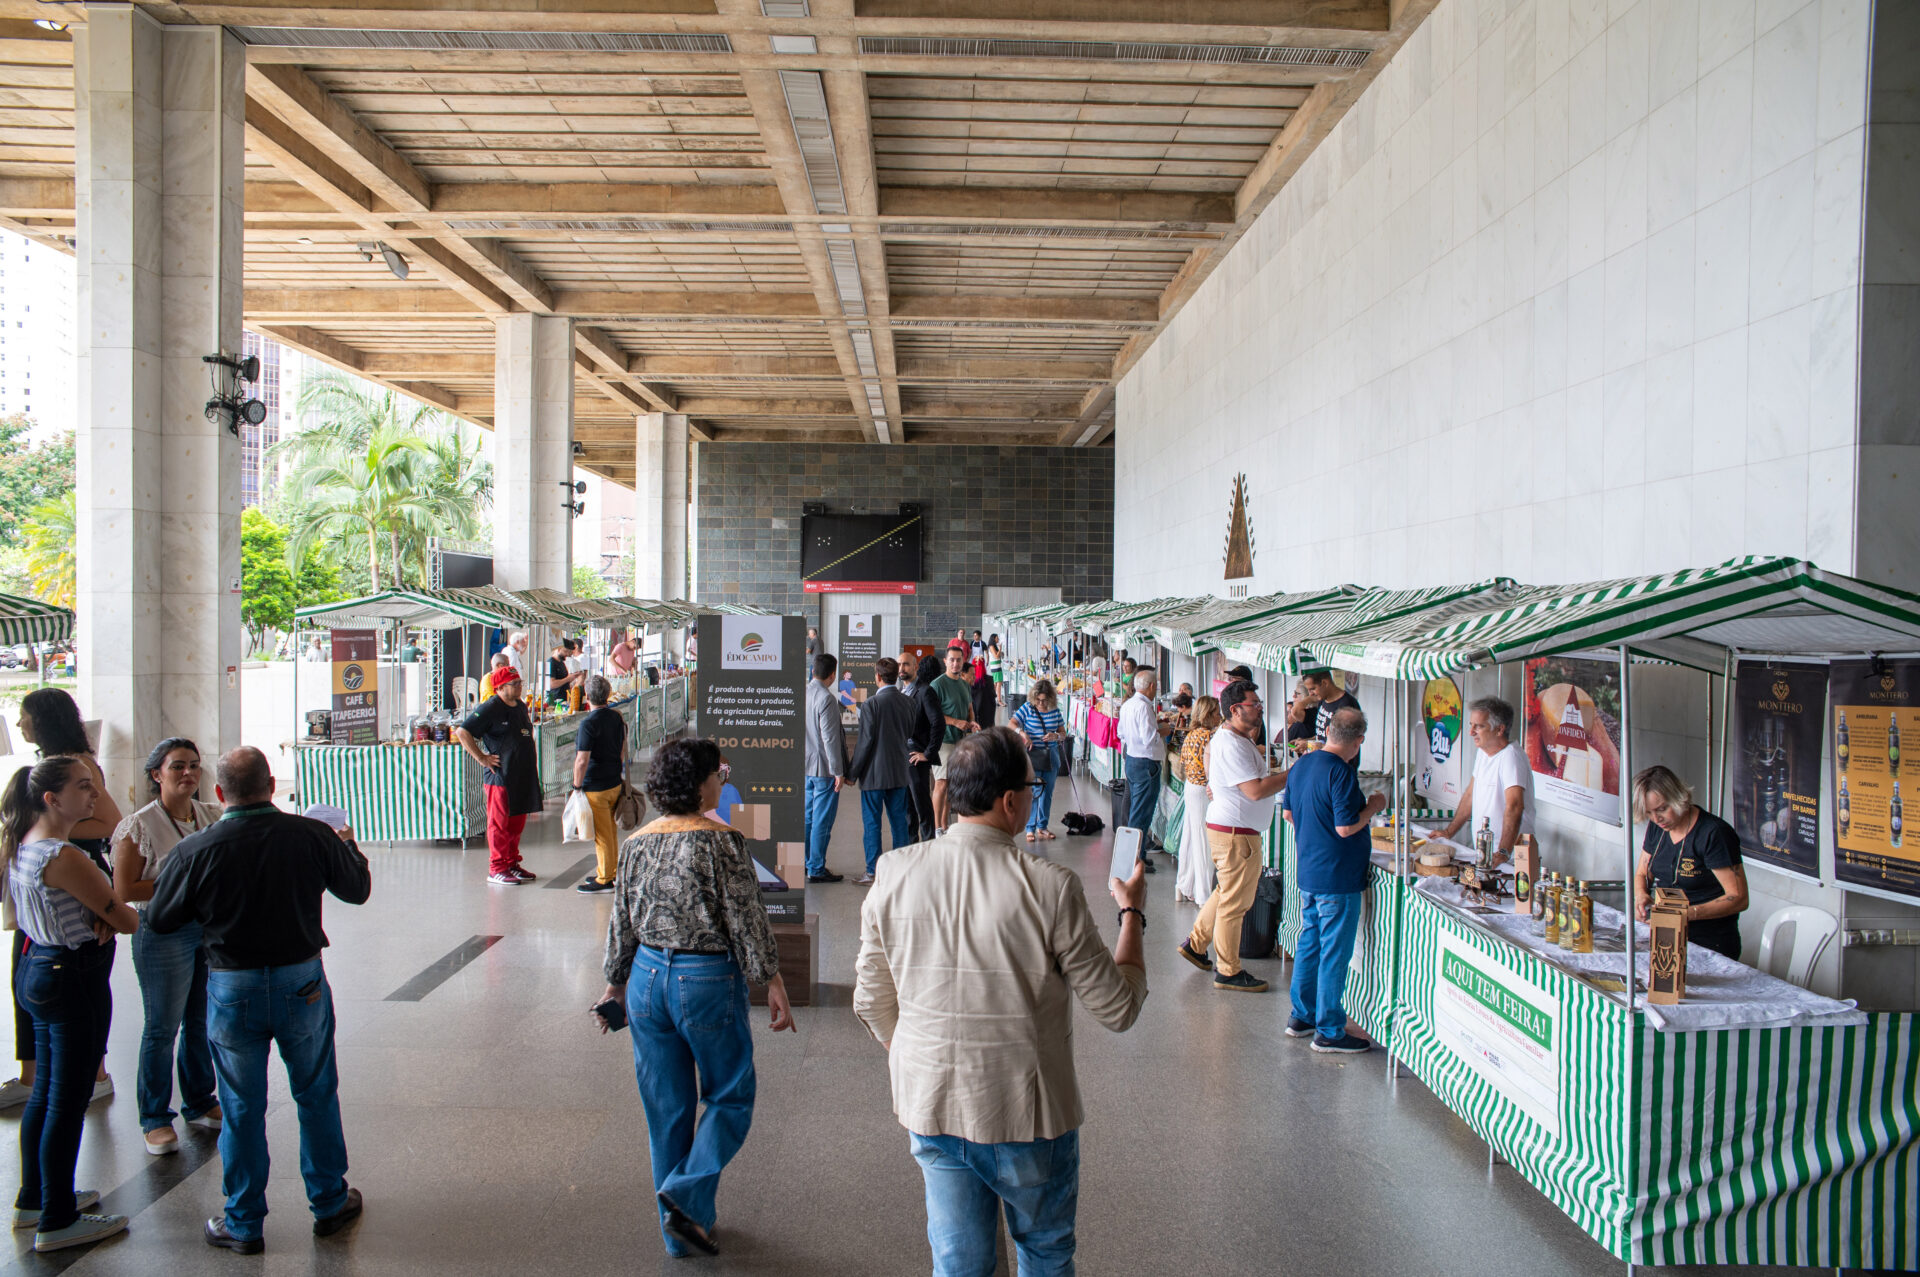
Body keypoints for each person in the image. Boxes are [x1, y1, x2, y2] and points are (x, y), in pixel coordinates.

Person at [854, 727, 1147, 1276]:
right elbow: (1118, 1007)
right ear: (1011, 801)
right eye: (1033, 788)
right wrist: (1131, 914)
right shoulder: (1050, 886)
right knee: (1044, 1252)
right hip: (1029, 1114)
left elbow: (871, 1001)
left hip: (933, 1102)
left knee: (959, 1261)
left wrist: (919, 1051)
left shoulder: (894, 872)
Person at [148, 746, 370, 1253]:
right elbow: (356, 891)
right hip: (302, 982)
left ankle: (244, 1222)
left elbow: (160, 919)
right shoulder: (310, 834)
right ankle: (330, 1202)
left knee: (240, 1104)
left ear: (220, 793)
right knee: (315, 1092)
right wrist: (349, 847)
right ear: (272, 784)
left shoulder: (196, 849)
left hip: (231, 987)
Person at [596, 738, 795, 1259]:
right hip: (705, 982)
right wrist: (771, 979)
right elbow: (747, 919)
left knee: (667, 1109)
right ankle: (686, 1195)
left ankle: (682, 1231)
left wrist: (614, 984)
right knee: (730, 1094)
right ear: (700, 782)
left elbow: (622, 918)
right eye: (718, 774)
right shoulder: (722, 840)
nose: (722, 781)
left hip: (644, 981)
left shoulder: (638, 842)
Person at [2, 758, 138, 1252]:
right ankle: (58, 1220)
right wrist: (114, 916)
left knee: (45, 1093)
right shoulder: (64, 855)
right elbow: (125, 919)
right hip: (71, 976)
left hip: (38, 965)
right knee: (69, 1098)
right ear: (51, 799)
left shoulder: (23, 843)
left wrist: (100, 914)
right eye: (84, 788)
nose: (94, 796)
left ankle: (35, 1197)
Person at [4, 690, 119, 1110]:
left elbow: (111, 822)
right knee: (31, 971)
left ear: (45, 720)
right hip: (50, 875)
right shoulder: (50, 766)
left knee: (80, 977)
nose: (20, 724)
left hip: (71, 877)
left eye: (25, 716)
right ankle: (35, 1073)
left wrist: (52, 833)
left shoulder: (77, 766)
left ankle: (91, 1072)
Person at [109, 738, 223, 1156]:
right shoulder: (139, 825)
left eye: (194, 765)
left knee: (200, 1021)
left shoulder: (212, 815)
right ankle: (155, 1117)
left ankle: (199, 1100)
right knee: (162, 1027)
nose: (188, 774)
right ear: (157, 774)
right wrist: (183, 883)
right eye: (177, 767)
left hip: (206, 931)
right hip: (162, 933)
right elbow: (124, 889)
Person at [1282, 707, 1383, 1052]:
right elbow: (1344, 826)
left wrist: (1315, 833)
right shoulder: (1341, 772)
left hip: (1310, 869)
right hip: (1337, 876)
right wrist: (1372, 807)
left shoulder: (1302, 765)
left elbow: (1288, 814)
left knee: (1309, 943)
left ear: (1326, 732)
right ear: (1359, 741)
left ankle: (1302, 1015)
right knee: (1334, 952)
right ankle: (1329, 1029)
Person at [1180, 679, 1288, 991]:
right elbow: (1254, 791)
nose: (1260, 709)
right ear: (1235, 710)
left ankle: (1196, 943)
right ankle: (1228, 969)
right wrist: (1292, 775)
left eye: (1259, 703)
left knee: (1225, 892)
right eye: (1254, 704)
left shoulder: (1231, 740)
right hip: (1236, 834)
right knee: (1235, 904)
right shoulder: (1231, 744)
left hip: (1232, 829)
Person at [1633, 765, 1750, 961]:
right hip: (1667, 935)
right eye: (1649, 813)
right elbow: (1642, 874)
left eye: (1662, 809)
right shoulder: (1657, 827)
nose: (1656, 818)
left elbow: (1738, 897)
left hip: (1709, 942)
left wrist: (1688, 913)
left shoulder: (1714, 834)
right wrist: (1641, 895)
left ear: (1678, 798)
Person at [455, 666, 544, 885]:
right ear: (501, 687)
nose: (520, 687)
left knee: (516, 823)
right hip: (500, 776)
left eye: (520, 682)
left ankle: (512, 863)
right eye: (515, 684)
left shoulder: (521, 706)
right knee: (499, 823)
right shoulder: (490, 708)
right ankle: (497, 867)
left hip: (521, 774)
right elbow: (462, 732)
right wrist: (482, 757)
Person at [1437, 696, 1535, 866]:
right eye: (1471, 725)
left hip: (1509, 859)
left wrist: (1504, 851)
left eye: (1479, 726)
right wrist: (1448, 831)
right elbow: (1470, 795)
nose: (1471, 732)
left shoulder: (1511, 757)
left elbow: (1515, 806)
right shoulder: (1483, 752)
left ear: (1499, 730)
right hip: (1486, 853)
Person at [848, 658, 917, 884]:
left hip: (873, 775)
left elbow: (865, 742)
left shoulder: (871, 705)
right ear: (897, 675)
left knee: (872, 824)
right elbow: (909, 733)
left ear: (877, 677)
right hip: (899, 771)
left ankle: (873, 871)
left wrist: (852, 773)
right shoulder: (908, 702)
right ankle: (901, 870)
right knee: (899, 822)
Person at [572, 676, 630, 895]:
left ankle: (605, 878)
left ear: (587, 697)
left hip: (595, 784)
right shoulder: (616, 717)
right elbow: (623, 746)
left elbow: (581, 759)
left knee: (602, 835)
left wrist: (577, 786)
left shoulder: (588, 723)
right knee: (610, 832)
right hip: (614, 779)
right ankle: (611, 870)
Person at [1118, 670, 1172, 870]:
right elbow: (1149, 738)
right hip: (1146, 762)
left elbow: (1121, 732)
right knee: (1141, 814)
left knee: (1136, 810)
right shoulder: (1144, 707)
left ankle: (1136, 854)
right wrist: (1163, 730)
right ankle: (1134, 861)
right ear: (1151, 687)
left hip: (1132, 759)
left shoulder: (1128, 705)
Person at [803, 653, 846, 884]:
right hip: (823, 768)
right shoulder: (826, 698)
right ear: (832, 675)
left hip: (805, 765)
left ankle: (806, 861)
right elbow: (829, 739)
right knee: (822, 819)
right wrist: (838, 771)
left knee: (808, 816)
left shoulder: (803, 693)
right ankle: (817, 867)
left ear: (812, 670)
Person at [1175, 697, 1222, 904]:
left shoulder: (1191, 734)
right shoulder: (1210, 737)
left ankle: (1183, 884)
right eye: (1217, 713)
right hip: (1204, 790)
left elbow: (1184, 763)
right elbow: (1213, 768)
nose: (1219, 717)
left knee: (1189, 838)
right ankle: (1203, 895)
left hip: (1191, 788)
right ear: (1209, 714)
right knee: (1204, 842)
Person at [929, 646, 979, 834]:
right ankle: (936, 827)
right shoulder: (937, 685)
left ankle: (944, 825)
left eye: (959, 660)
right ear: (945, 661)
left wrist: (972, 722)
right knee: (941, 782)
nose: (955, 663)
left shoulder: (965, 684)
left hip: (960, 741)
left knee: (952, 784)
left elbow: (969, 709)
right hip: (943, 741)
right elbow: (933, 715)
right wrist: (955, 722)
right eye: (952, 660)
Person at [1010, 680, 1065, 843]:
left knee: (1047, 793)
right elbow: (1012, 723)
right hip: (1033, 754)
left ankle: (1042, 826)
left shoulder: (1055, 711)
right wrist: (1022, 733)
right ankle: (1030, 827)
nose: (1041, 703)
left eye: (1044, 700)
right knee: (1033, 792)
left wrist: (1056, 736)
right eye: (1038, 700)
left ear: (1051, 699)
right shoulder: (1028, 708)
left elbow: (1063, 732)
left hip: (1051, 755)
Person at [903, 653, 944, 841]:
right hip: (903, 757)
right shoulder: (901, 692)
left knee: (922, 806)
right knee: (908, 807)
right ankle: (911, 846)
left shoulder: (925, 691)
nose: (902, 668)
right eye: (899, 665)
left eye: (906, 664)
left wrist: (928, 753)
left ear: (915, 667)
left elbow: (938, 723)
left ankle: (929, 845)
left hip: (918, 757)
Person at [1303, 667, 1360, 744]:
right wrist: (1306, 742)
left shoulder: (1347, 705)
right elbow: (1321, 737)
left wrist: (1309, 745)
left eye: (1312, 689)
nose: (1310, 693)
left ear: (1324, 683)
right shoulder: (1322, 700)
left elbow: (1345, 744)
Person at [1283, 680, 1320, 754]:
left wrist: (1310, 698)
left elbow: (1295, 711)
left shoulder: (1312, 712)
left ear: (1305, 695)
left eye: (1297, 693)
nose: (1293, 696)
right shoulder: (1307, 713)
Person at [548, 639, 583, 705]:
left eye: (568, 652)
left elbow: (564, 680)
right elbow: (551, 684)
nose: (566, 654)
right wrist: (568, 679)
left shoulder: (561, 663)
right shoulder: (551, 663)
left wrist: (573, 677)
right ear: (558, 649)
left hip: (564, 699)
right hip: (556, 701)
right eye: (565, 651)